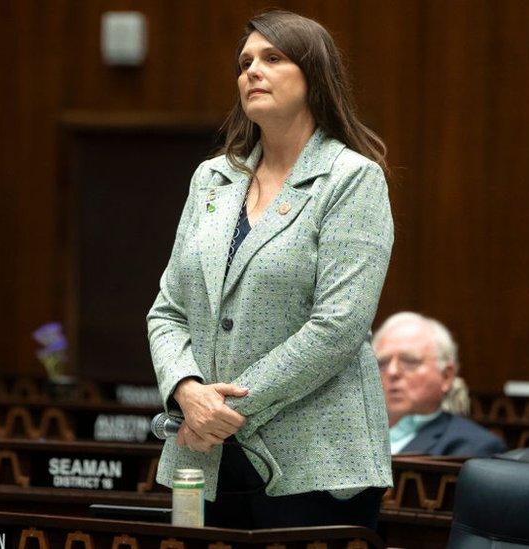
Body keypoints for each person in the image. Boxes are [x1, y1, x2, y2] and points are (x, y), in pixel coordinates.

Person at [147, 10, 393, 529]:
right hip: (205, 456)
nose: (251, 71)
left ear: (314, 76)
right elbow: (167, 312)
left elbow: (338, 327)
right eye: (244, 63)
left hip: (318, 461)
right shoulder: (211, 180)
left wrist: (222, 413)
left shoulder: (351, 178)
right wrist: (188, 391)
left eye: (272, 58)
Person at [374, 311, 506, 457]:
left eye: (409, 361)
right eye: (382, 363)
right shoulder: (351, 435)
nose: (392, 372)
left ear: (446, 376)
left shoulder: (472, 447)